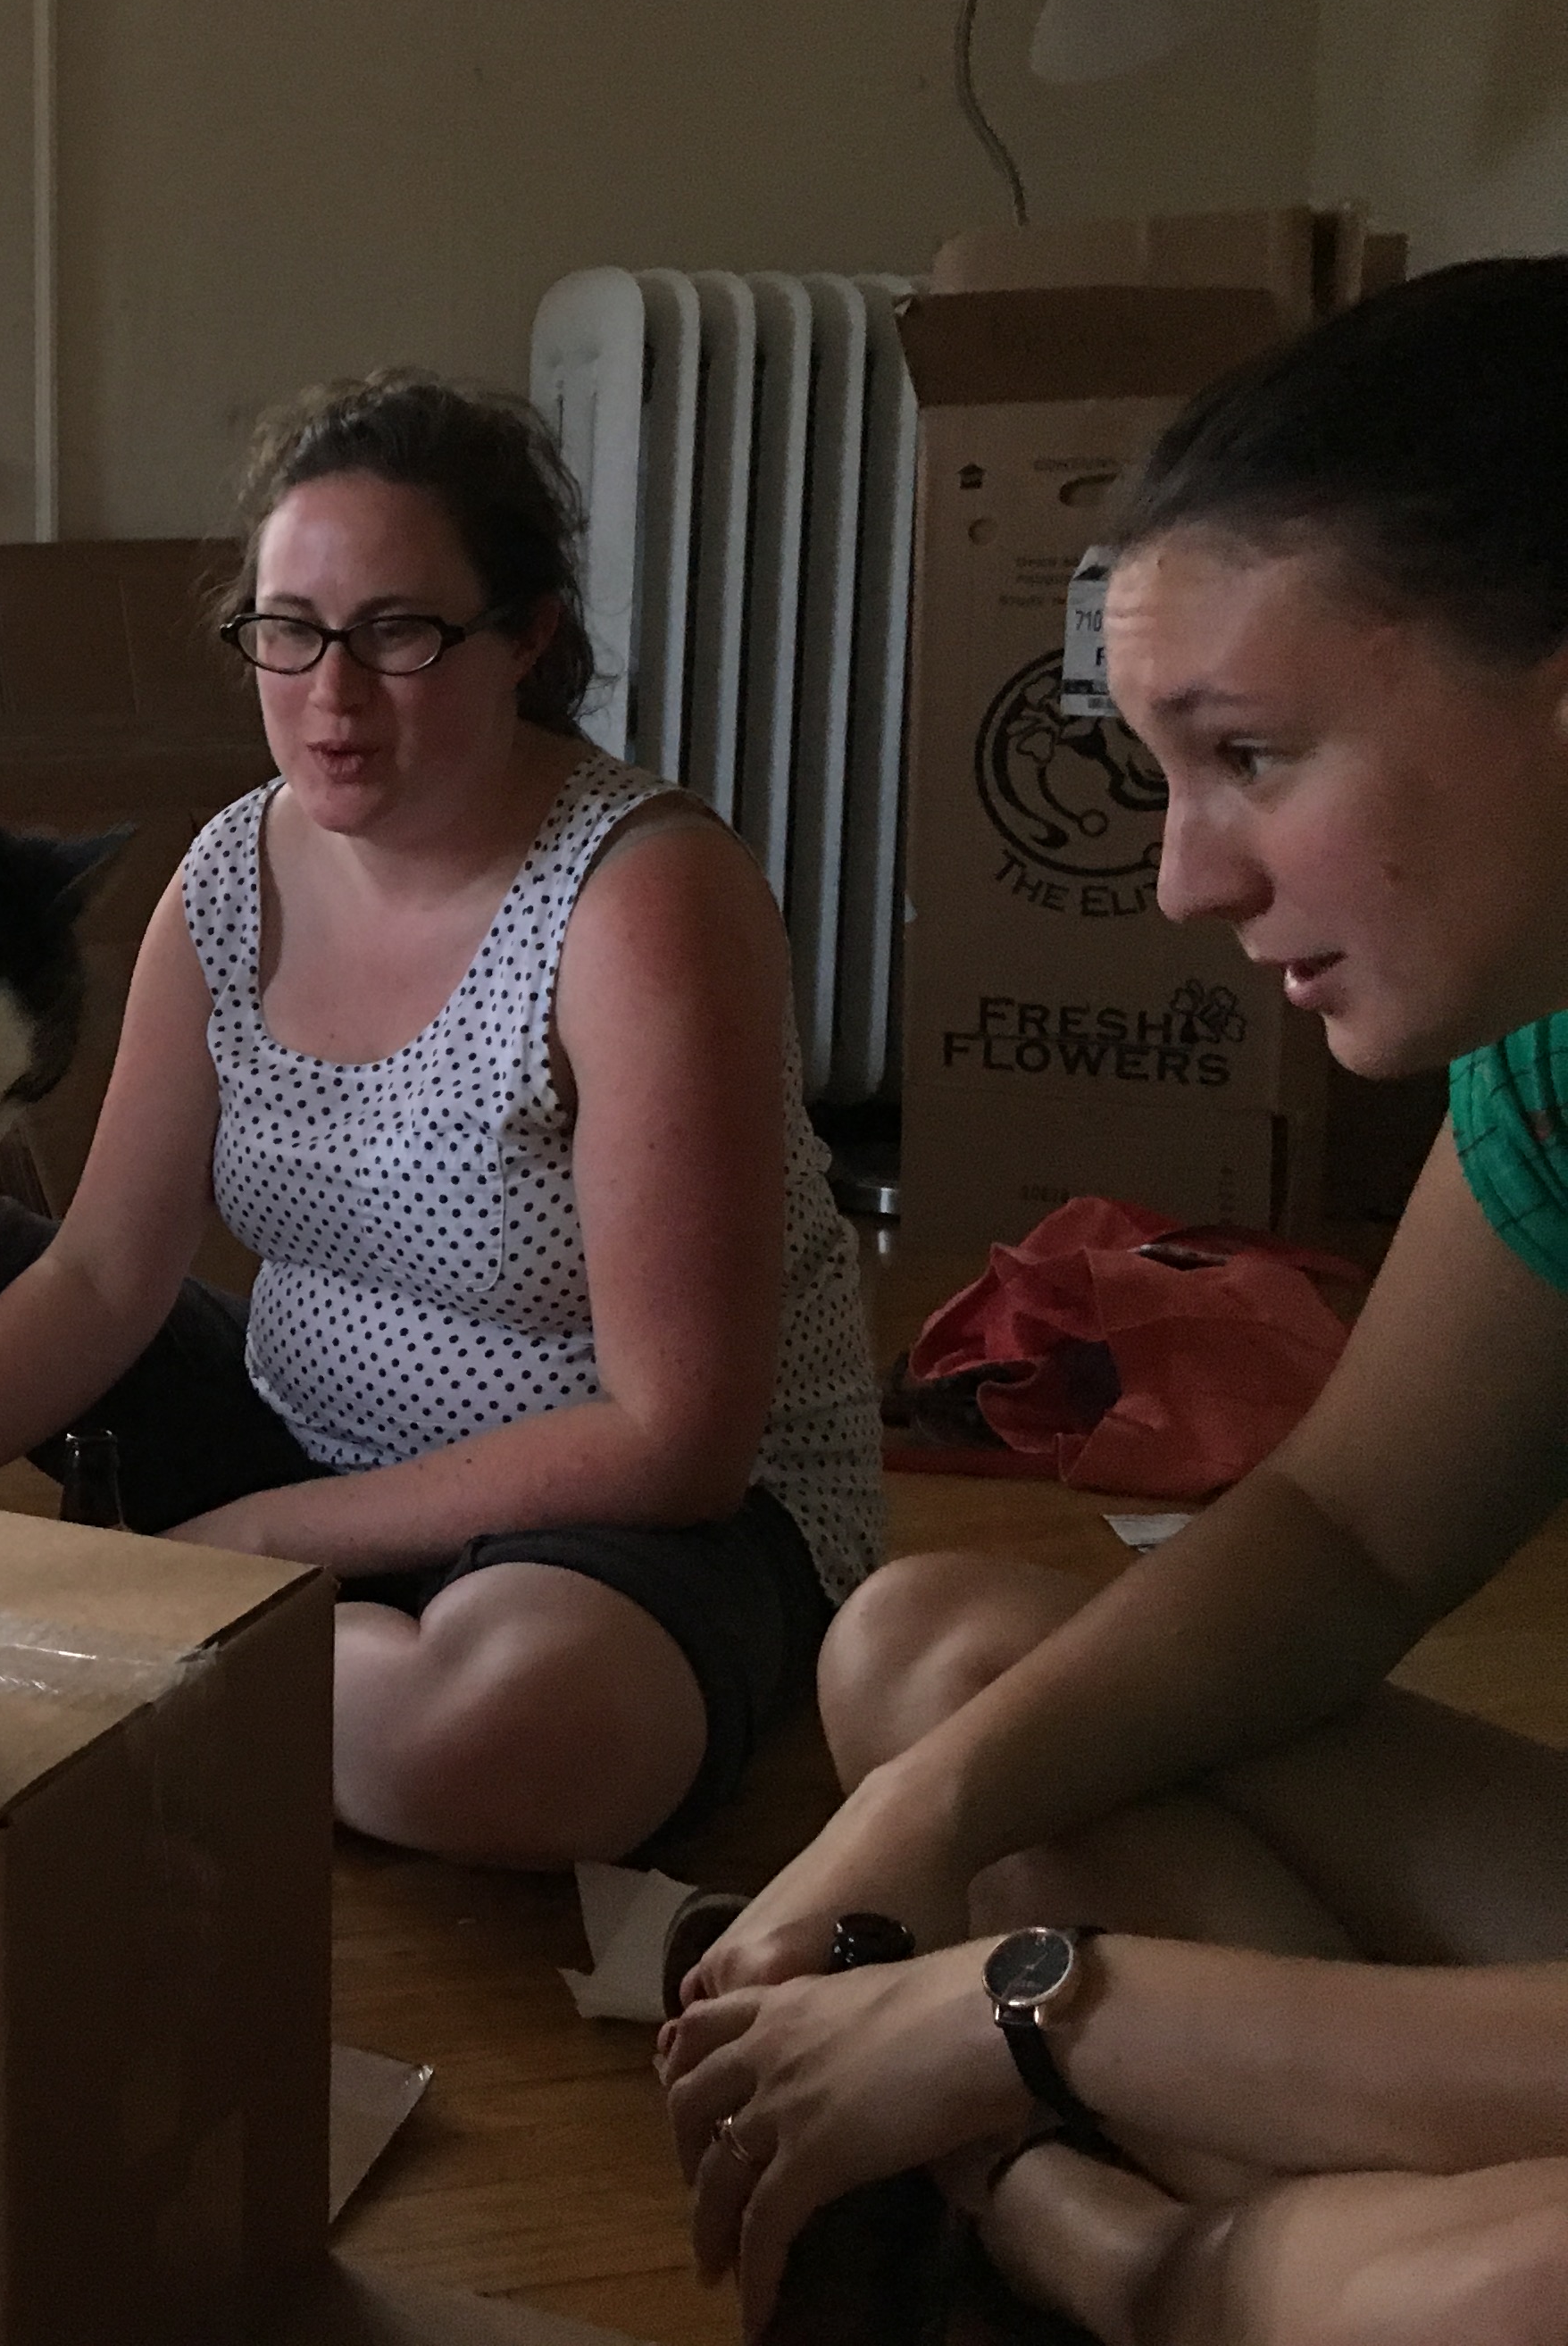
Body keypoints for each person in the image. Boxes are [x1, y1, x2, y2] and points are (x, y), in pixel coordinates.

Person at [662, 258, 1568, 2343]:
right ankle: (1318, 2274)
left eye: (1249, 753)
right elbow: (1344, 1539)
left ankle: (1141, 2257)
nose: (1182, 879)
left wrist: (1039, 2013)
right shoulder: (1549, 1055)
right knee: (943, 1659)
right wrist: (917, 1819)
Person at [0, 372, 885, 1866]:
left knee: (500, 1740)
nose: (329, 696)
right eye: (290, 632)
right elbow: (103, 1275)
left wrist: (254, 1545)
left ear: (525, 638)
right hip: (298, 1439)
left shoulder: (641, 898)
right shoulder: (228, 874)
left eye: (399, 634)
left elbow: (680, 1440)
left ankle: (85, 1639)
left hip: (614, 1515)